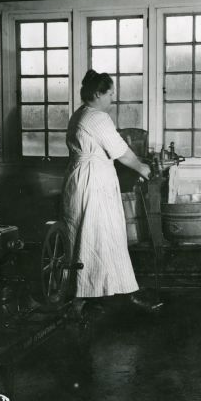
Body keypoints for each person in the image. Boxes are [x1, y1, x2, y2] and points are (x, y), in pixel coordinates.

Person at [62, 70, 161, 312]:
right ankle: (92, 296)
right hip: (93, 182)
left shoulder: (80, 114)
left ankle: (89, 293)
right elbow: (121, 151)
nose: (112, 98)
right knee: (100, 235)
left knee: (89, 236)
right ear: (97, 94)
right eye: (110, 93)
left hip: (82, 180)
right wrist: (144, 168)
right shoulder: (97, 117)